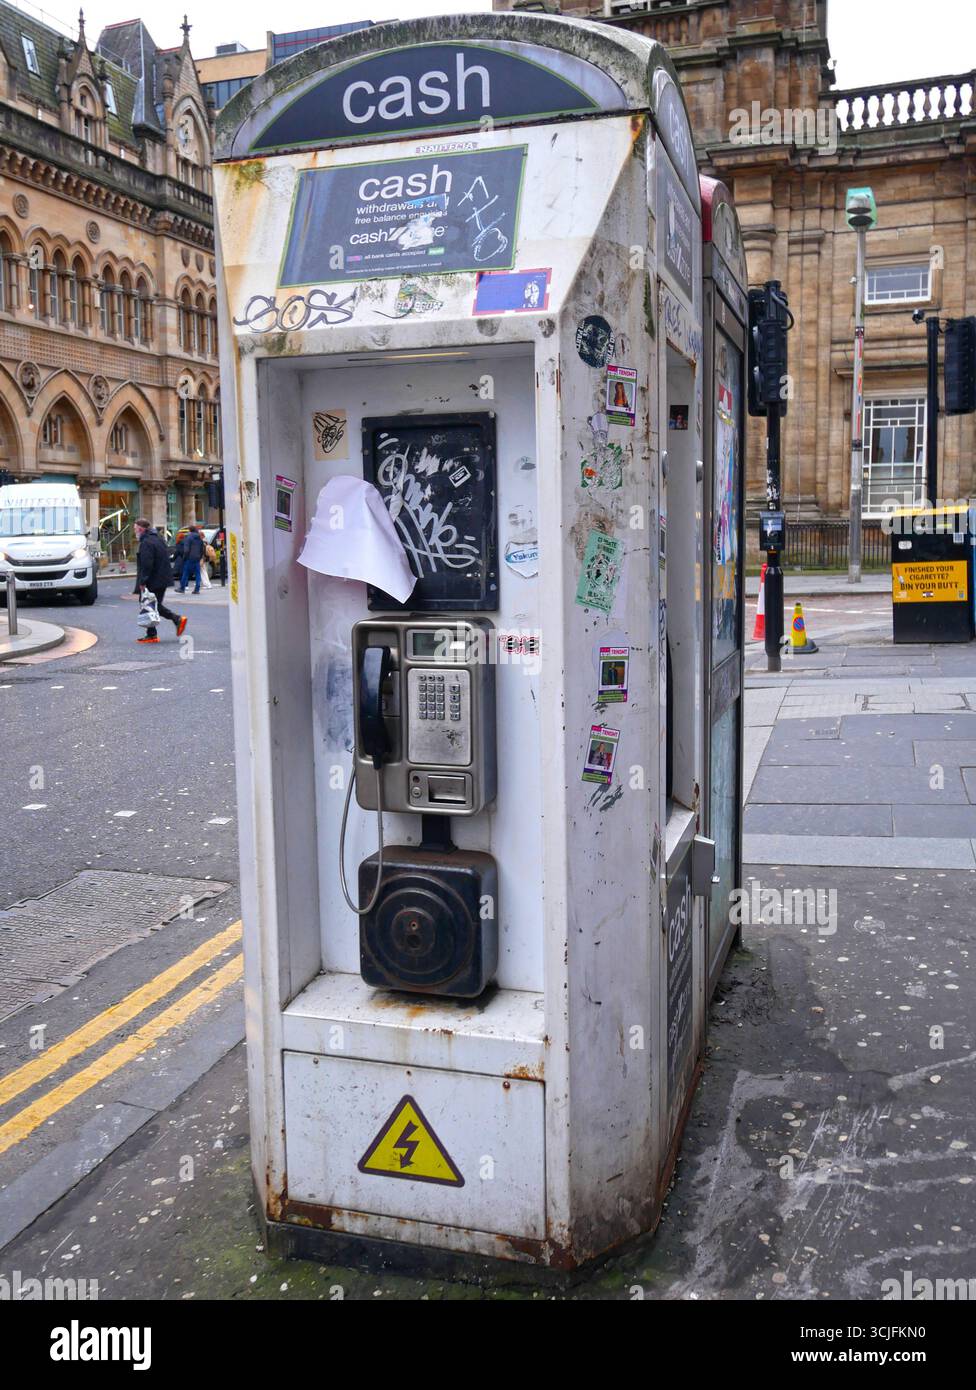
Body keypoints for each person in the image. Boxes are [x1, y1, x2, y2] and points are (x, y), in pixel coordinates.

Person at [134, 518, 186, 645]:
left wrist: (143, 581)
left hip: (153, 579)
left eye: (135, 528)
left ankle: (177, 619)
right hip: (162, 578)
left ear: (141, 529)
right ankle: (151, 634)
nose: (134, 531)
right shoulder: (158, 538)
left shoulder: (146, 542)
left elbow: (147, 563)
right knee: (152, 605)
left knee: (151, 605)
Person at [178, 524, 205, 594]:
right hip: (197, 558)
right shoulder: (199, 538)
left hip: (189, 558)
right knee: (197, 574)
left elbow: (186, 550)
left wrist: (184, 557)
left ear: (189, 530)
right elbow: (202, 549)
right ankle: (197, 589)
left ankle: (182, 588)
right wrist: (200, 557)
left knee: (185, 573)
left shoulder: (188, 538)